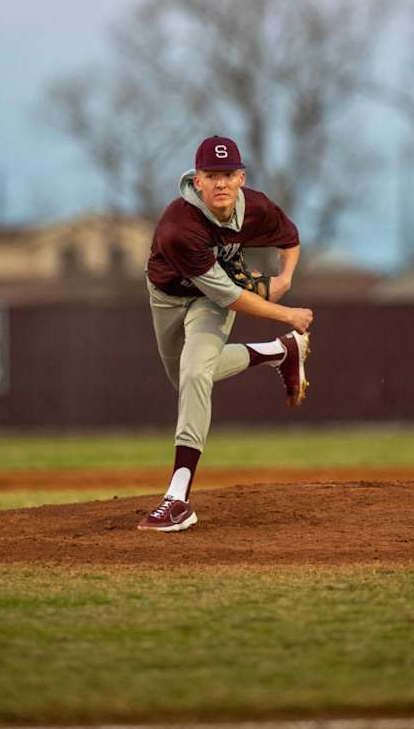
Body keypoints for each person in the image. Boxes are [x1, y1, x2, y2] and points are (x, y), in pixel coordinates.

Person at [139, 135, 313, 532]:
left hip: (209, 303)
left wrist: (285, 278)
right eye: (211, 175)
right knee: (182, 378)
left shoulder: (257, 207)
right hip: (168, 296)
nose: (220, 183)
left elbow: (290, 238)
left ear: (241, 177)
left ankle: (177, 497)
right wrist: (286, 314)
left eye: (228, 174)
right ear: (195, 181)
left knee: (196, 374)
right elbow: (233, 295)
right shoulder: (179, 227)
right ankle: (280, 351)